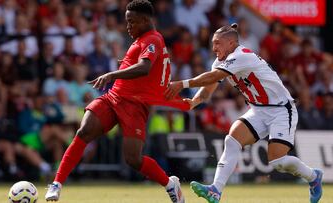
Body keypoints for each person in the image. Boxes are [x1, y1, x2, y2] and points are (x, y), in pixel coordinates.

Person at [45, 1, 188, 202]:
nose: (128, 26)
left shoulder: (152, 39)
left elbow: (145, 67)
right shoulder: (143, 39)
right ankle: (56, 183)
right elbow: (144, 68)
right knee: (84, 131)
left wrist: (113, 73)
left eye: (132, 22)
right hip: (114, 97)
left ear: (146, 20)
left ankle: (169, 183)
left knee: (133, 160)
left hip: (135, 105)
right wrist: (125, 66)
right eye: (127, 22)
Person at [165, 23, 323, 203]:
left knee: (277, 162)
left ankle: (313, 176)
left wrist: (181, 84)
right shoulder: (221, 61)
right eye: (212, 43)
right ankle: (215, 190)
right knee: (231, 140)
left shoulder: (241, 56)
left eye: (217, 43)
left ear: (231, 43)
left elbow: (213, 77)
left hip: (281, 110)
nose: (214, 48)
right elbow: (209, 88)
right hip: (258, 110)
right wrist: (195, 101)